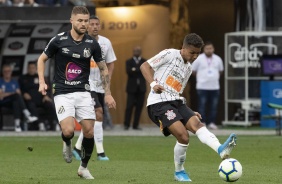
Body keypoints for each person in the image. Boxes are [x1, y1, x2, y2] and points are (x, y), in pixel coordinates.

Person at [140, 33, 237, 182]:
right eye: (192, 53)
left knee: (197, 123)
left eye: (198, 53)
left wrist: (189, 110)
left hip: (176, 102)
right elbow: (144, 66)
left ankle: (220, 149)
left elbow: (177, 92)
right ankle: (179, 172)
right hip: (158, 103)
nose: (195, 57)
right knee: (183, 136)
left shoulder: (189, 68)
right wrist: (153, 84)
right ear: (183, 48)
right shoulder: (169, 54)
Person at [37, 6, 116, 179]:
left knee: (89, 131)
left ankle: (83, 167)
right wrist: (42, 82)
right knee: (68, 131)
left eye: (86, 21)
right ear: (71, 21)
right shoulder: (58, 40)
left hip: (83, 92)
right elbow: (41, 59)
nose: (83, 24)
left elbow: (103, 68)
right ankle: (67, 143)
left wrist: (108, 93)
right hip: (62, 92)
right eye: (80, 20)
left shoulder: (92, 44)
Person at [72, 15, 117, 161]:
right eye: (91, 24)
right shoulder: (80, 41)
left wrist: (107, 79)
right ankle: (100, 152)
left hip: (100, 85)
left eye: (97, 24)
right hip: (85, 83)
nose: (95, 26)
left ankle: (77, 148)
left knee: (91, 119)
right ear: (86, 26)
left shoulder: (106, 42)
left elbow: (110, 63)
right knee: (98, 113)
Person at [191, 41, 224, 130]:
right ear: (204, 49)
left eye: (210, 48)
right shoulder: (199, 58)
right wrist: (201, 78)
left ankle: (212, 122)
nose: (209, 50)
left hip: (214, 86)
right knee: (202, 105)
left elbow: (221, 71)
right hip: (202, 86)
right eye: (207, 49)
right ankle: (203, 122)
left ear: (213, 49)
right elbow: (193, 70)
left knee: (214, 106)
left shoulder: (218, 59)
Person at [18, 61, 58, 131]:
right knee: (31, 106)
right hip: (30, 100)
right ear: (27, 69)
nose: (31, 69)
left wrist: (46, 96)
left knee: (49, 105)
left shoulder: (41, 77)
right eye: (29, 68)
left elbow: (47, 88)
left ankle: (55, 123)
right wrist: (24, 93)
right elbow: (19, 89)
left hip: (41, 99)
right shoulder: (22, 78)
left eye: (33, 68)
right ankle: (40, 123)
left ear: (36, 68)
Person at [0, 64, 38, 132]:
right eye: (5, 71)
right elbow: (1, 96)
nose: (7, 73)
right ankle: (27, 114)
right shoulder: (1, 81)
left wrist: (8, 93)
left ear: (11, 72)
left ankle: (17, 125)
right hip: (3, 102)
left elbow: (19, 93)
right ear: (3, 72)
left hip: (12, 102)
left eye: (8, 71)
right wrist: (12, 93)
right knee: (16, 96)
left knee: (16, 102)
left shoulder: (14, 82)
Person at [124, 46, 146, 130]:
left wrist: (134, 69)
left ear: (140, 52)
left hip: (141, 88)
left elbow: (145, 71)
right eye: (135, 50)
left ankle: (135, 125)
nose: (136, 52)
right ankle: (126, 124)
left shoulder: (144, 61)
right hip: (131, 88)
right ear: (133, 51)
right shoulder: (128, 61)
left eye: (138, 50)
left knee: (139, 107)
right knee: (129, 106)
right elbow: (128, 71)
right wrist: (139, 69)